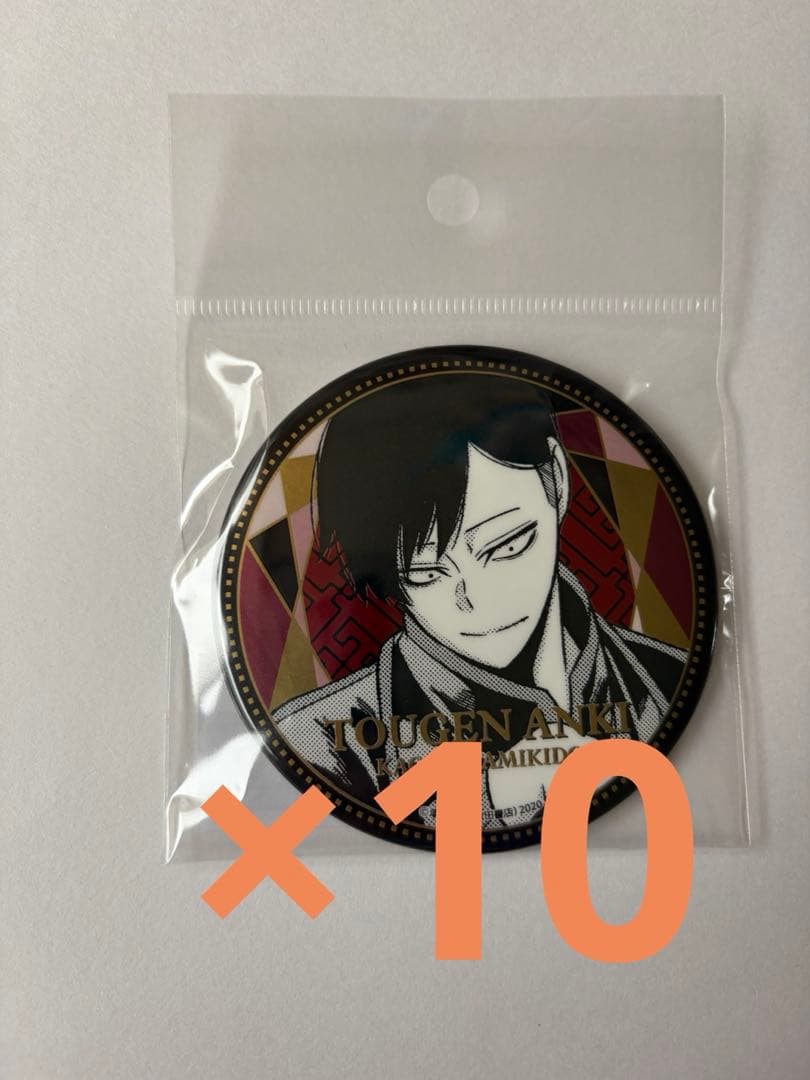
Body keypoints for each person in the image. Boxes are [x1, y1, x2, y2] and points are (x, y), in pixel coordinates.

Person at [274, 373, 686, 827]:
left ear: (557, 478)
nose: (475, 601)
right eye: (426, 574)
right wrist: (488, 799)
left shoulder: (669, 682)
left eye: (508, 545)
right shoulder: (312, 742)